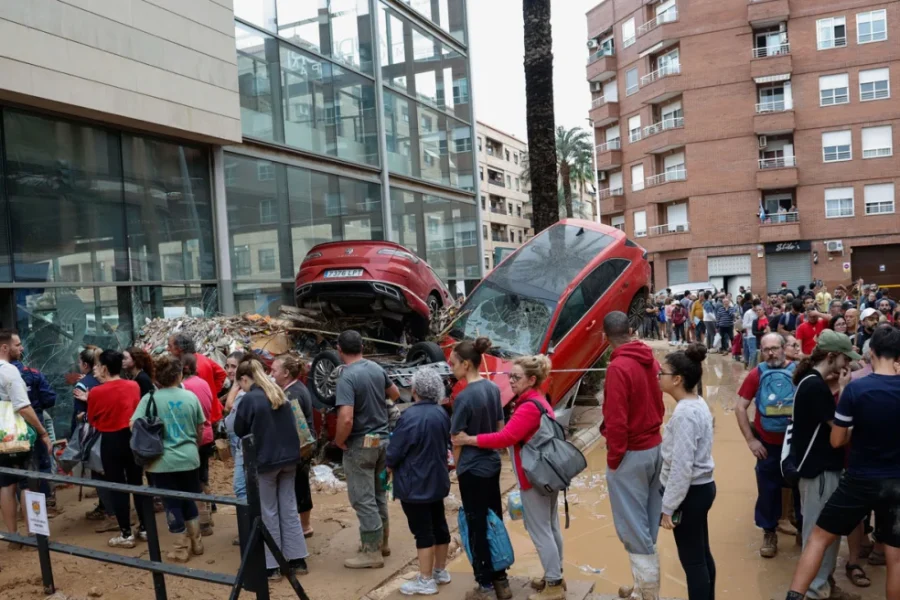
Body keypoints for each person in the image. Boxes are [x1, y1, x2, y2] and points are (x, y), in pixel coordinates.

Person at [783, 326, 900, 600]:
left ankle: (796, 596)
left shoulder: (856, 390)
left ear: (871, 353)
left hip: (859, 479)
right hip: (896, 482)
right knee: (895, 558)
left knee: (818, 538)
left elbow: (836, 441)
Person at [455, 355, 565, 600]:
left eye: (516, 377)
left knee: (539, 530)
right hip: (548, 474)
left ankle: (555, 585)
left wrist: (468, 439)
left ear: (532, 379)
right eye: (509, 376)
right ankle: (554, 574)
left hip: (534, 478)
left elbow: (505, 437)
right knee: (550, 526)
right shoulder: (539, 401)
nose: (511, 382)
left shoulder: (528, 407)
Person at [789, 331, 861, 600]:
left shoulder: (811, 381)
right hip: (819, 471)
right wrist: (844, 391)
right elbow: (839, 433)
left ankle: (824, 585)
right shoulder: (815, 387)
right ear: (831, 356)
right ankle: (815, 590)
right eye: (845, 359)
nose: (847, 365)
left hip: (820, 469)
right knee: (818, 535)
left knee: (826, 532)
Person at [601, 312, 665, 600]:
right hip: (655, 447)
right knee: (648, 521)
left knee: (632, 526)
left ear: (605, 338)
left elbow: (616, 421)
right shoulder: (648, 358)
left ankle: (648, 591)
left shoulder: (618, 367)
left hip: (631, 452)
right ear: (630, 330)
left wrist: (614, 460)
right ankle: (642, 586)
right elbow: (660, 401)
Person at [233, 357, 309, 580]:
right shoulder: (278, 392)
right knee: (289, 507)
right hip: (290, 459)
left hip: (266, 461)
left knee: (269, 512)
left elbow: (239, 429)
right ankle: (297, 559)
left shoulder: (250, 399)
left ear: (245, 379)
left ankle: (272, 565)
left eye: (241, 383)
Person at [448, 337, 511, 600]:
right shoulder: (493, 389)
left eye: (452, 363)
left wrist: (456, 468)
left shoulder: (463, 397)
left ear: (466, 364)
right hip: (492, 464)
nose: (450, 368)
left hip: (471, 469)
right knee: (493, 519)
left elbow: (456, 439)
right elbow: (500, 428)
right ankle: (501, 578)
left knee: (476, 525)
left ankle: (483, 583)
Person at [334, 330, 401, 570]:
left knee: (362, 498)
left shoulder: (347, 377)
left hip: (361, 443)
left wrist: (339, 441)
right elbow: (394, 394)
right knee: (378, 494)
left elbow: (346, 418)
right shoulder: (375, 368)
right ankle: (381, 543)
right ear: (362, 347)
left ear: (339, 350)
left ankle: (371, 552)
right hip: (382, 441)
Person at [133, 355, 205, 563]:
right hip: (189, 458)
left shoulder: (149, 399)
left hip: (161, 461)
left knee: (171, 502)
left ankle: (181, 548)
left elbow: (134, 425)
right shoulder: (190, 397)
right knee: (188, 497)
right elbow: (200, 427)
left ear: (157, 377)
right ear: (180, 374)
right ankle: (197, 542)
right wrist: (192, 444)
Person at [658, 344, 716, 600]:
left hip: (690, 493)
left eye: (663, 373)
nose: (659, 376)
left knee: (693, 561)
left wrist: (668, 507)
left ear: (677, 379)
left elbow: (682, 468)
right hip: (701, 489)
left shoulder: (684, 414)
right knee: (701, 554)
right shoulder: (697, 402)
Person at [735, 333, 801, 558]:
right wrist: (751, 440)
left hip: (795, 445)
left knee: (800, 488)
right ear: (761, 351)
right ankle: (769, 532)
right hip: (767, 445)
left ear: (784, 348)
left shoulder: (799, 371)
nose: (771, 353)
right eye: (766, 349)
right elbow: (740, 407)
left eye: (775, 348)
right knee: (767, 490)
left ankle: (802, 531)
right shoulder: (757, 373)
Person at [388, 368, 452, 597]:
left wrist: (387, 465)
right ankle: (439, 571)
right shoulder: (441, 413)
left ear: (415, 390)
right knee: (439, 525)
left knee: (423, 532)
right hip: (437, 479)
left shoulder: (410, 416)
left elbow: (395, 452)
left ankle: (425, 580)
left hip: (415, 483)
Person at [80, 350, 148, 547]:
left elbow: (92, 419)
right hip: (132, 438)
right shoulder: (133, 385)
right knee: (137, 483)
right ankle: (144, 528)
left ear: (105, 368)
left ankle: (126, 533)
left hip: (110, 440)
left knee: (117, 487)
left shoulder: (97, 392)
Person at [0, 330, 53, 548]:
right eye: (17, 345)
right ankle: (33, 533)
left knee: (5, 484)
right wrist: (42, 432)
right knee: (27, 481)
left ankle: (13, 536)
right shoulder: (9, 371)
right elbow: (23, 407)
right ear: (5, 347)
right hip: (16, 434)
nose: (20, 348)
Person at [271, 354, 315, 537]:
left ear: (286, 373)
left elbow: (298, 426)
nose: (271, 374)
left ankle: (304, 526)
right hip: (302, 446)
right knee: (300, 485)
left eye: (274, 370)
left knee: (299, 486)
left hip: (300, 447)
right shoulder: (295, 388)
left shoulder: (292, 394)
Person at [10, 344, 58, 513]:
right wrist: (37, 407)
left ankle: (24, 509)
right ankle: (46, 501)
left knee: (14, 471)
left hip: (8, 427)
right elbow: (50, 398)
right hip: (34, 421)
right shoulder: (33, 373)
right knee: (43, 462)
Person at [181, 354, 216, 537]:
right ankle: (208, 515)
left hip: (194, 437)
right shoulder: (203, 383)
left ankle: (202, 521)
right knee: (203, 477)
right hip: (207, 435)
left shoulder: (184, 388)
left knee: (193, 481)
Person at [168, 334, 226, 423]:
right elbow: (221, 373)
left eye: (170, 346)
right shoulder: (201, 357)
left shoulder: (193, 368)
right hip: (213, 411)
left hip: (204, 419)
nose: (167, 349)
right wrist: (213, 392)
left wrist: (213, 392)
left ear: (179, 349)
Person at [743, 299, 760, 367]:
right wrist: (754, 324)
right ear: (752, 305)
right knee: (753, 353)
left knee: (757, 353)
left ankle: (755, 368)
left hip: (758, 335)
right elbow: (744, 325)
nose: (757, 309)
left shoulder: (759, 312)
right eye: (756, 307)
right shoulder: (748, 313)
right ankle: (751, 369)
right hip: (751, 336)